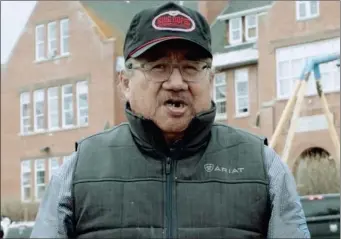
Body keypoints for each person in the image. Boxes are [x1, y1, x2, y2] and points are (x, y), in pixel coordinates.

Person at [31, 2, 310, 238]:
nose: (176, 82)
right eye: (158, 67)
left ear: (211, 80)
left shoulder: (263, 167)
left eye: (190, 68)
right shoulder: (78, 172)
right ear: (125, 83)